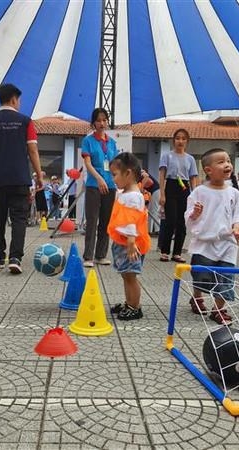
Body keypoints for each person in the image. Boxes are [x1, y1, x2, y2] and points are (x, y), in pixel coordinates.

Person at [0, 84, 43, 274]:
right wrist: (39, 176)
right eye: (19, 100)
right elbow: (32, 150)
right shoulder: (25, 121)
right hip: (20, 178)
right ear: (14, 99)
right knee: (19, 219)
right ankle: (15, 258)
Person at [184, 148, 239, 325]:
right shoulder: (199, 192)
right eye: (221, 162)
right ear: (208, 170)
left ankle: (218, 309)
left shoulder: (234, 193)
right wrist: (195, 214)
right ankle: (197, 297)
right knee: (201, 276)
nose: (227, 164)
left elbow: (238, 215)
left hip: (227, 243)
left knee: (226, 277)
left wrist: (236, 228)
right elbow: (188, 218)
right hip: (204, 244)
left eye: (228, 161)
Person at [107, 153, 150, 321]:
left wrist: (131, 242)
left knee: (131, 276)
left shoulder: (133, 196)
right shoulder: (126, 193)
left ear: (128, 173)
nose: (113, 179)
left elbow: (131, 221)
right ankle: (129, 302)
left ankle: (135, 307)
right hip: (123, 243)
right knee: (126, 275)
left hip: (130, 244)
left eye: (115, 174)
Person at [81, 107, 118, 268]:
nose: (102, 123)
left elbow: (115, 165)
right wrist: (99, 179)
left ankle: (101, 255)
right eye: (98, 120)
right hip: (93, 185)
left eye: (104, 120)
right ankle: (88, 256)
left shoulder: (112, 143)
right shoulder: (88, 141)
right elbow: (87, 163)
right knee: (92, 220)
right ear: (93, 123)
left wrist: (118, 182)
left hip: (110, 186)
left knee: (106, 221)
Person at [158, 128, 199, 262]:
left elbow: (193, 177)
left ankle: (177, 253)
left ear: (187, 141)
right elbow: (162, 175)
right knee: (171, 220)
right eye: (177, 138)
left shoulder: (190, 159)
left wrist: (195, 194)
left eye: (183, 139)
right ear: (173, 140)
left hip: (184, 188)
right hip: (171, 186)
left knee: (182, 221)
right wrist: (162, 194)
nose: (180, 141)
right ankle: (164, 251)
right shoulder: (167, 156)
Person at [140, 169, 160, 234]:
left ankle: (151, 230)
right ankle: (155, 229)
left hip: (156, 191)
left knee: (152, 211)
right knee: (154, 211)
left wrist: (142, 188)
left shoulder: (140, 171)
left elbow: (146, 176)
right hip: (155, 191)